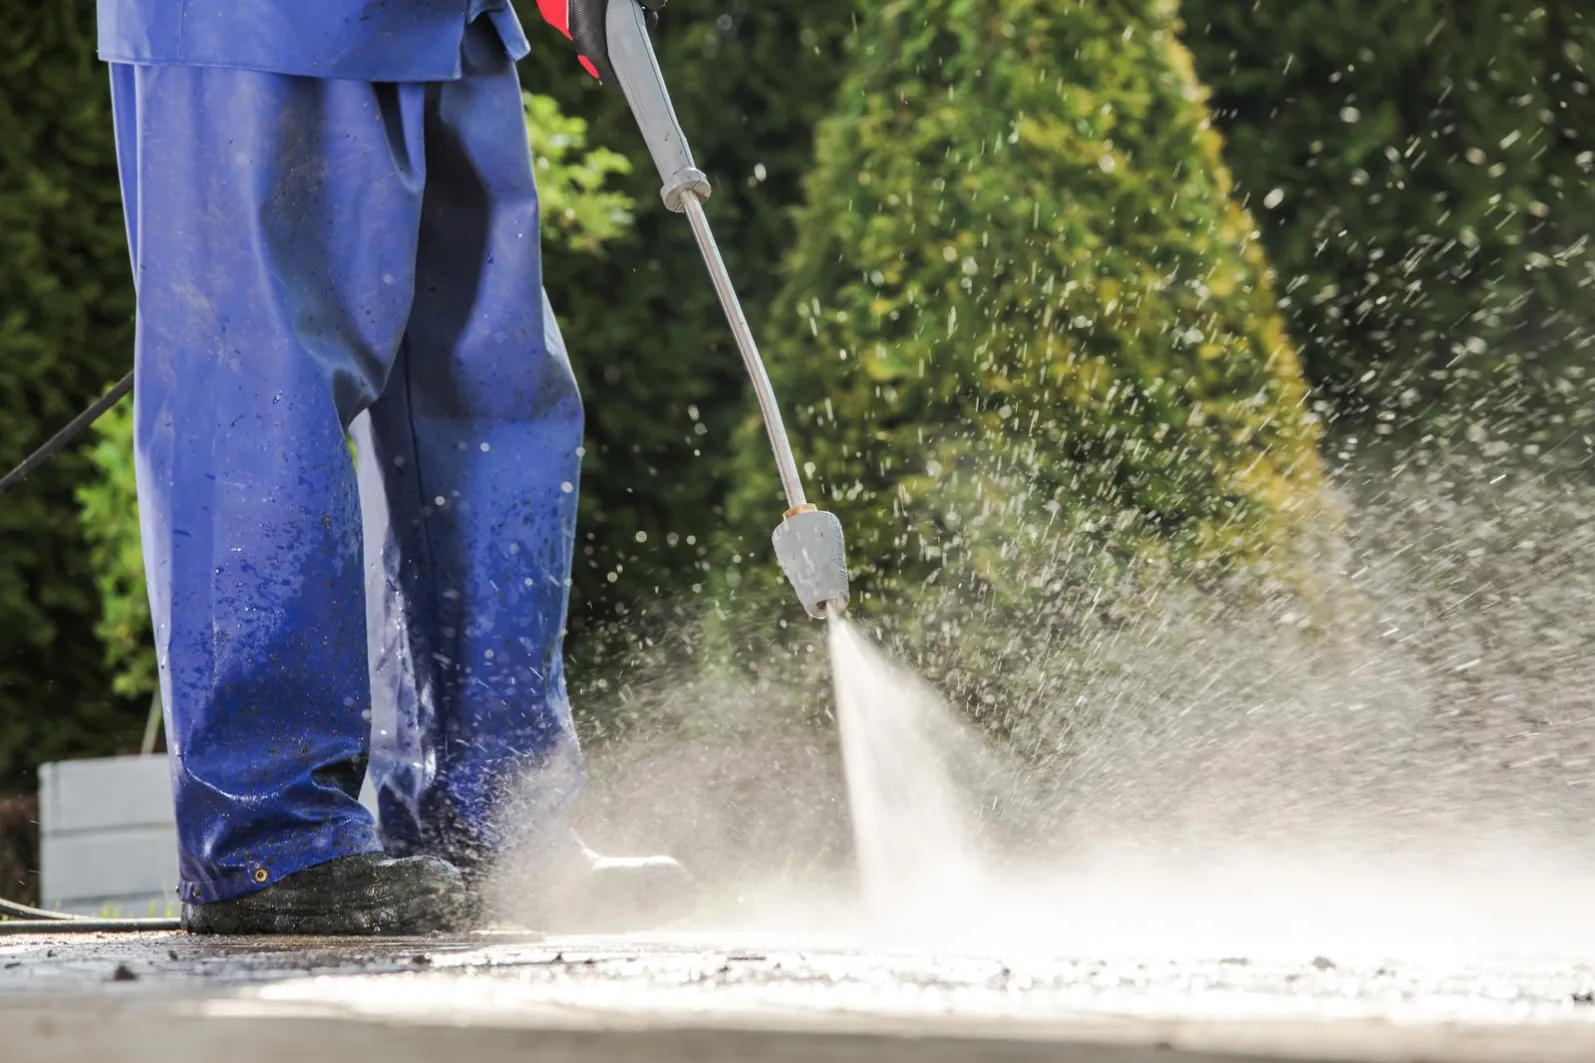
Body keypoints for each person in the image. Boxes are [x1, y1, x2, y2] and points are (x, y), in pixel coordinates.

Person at [97, 0, 691, 934]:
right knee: (264, 387)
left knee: (487, 388)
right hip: (261, 23)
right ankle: (270, 834)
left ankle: (496, 814)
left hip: (449, 21)